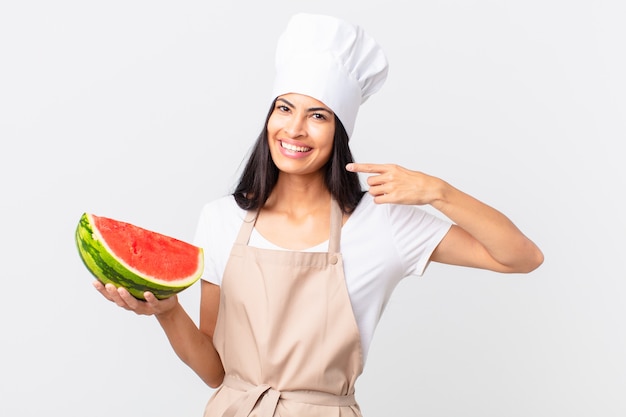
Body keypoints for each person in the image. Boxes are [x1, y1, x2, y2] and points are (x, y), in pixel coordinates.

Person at [93, 12, 544, 417]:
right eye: (284, 109)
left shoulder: (382, 222)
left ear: (339, 132)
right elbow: (215, 372)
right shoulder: (222, 219)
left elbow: (521, 257)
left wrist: (437, 192)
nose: (294, 129)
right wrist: (168, 313)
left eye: (318, 116)